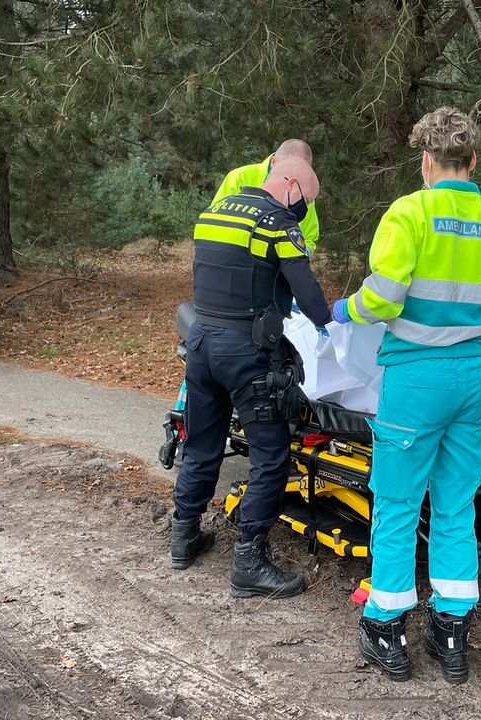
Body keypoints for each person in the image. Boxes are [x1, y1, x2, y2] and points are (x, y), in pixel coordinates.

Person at [333, 108, 481, 684]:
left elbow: (382, 299)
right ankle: (452, 631)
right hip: (474, 381)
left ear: (426, 161)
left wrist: (346, 311)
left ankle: (387, 626)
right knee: (456, 506)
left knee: (397, 505)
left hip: (416, 381)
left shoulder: (409, 212)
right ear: (474, 161)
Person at [169, 156, 332, 599]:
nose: (304, 211)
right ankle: (250, 562)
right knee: (270, 454)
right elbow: (309, 294)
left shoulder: (214, 212)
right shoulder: (278, 223)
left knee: (202, 442)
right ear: (292, 183)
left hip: (201, 342)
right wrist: (330, 321)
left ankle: (183, 536)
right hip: (248, 352)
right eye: (306, 201)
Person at [213, 139, 320, 256]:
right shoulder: (239, 177)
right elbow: (214, 224)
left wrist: (299, 256)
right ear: (273, 161)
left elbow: (309, 238)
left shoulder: (303, 194)